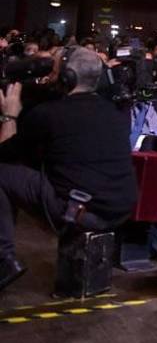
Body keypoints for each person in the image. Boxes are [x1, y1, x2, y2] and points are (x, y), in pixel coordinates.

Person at [0, 48, 137, 293]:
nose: (49, 76)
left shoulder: (49, 114)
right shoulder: (113, 112)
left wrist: (9, 114)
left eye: (53, 71)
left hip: (81, 212)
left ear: (66, 77)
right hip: (119, 211)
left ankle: (3, 260)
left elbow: (7, 154)